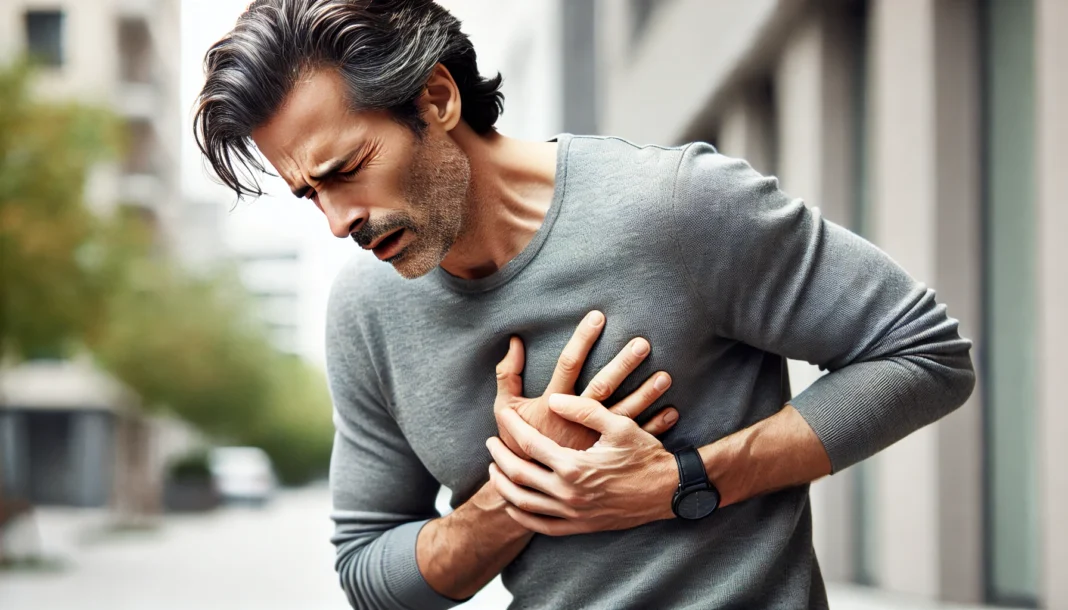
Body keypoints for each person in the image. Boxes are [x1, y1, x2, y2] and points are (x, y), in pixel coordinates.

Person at [193, 1, 976, 608]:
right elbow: (369, 571)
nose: (337, 222)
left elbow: (925, 354)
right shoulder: (367, 309)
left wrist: (682, 479)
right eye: (309, 194)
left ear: (435, 99)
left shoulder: (674, 207)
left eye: (348, 168)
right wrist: (518, 493)